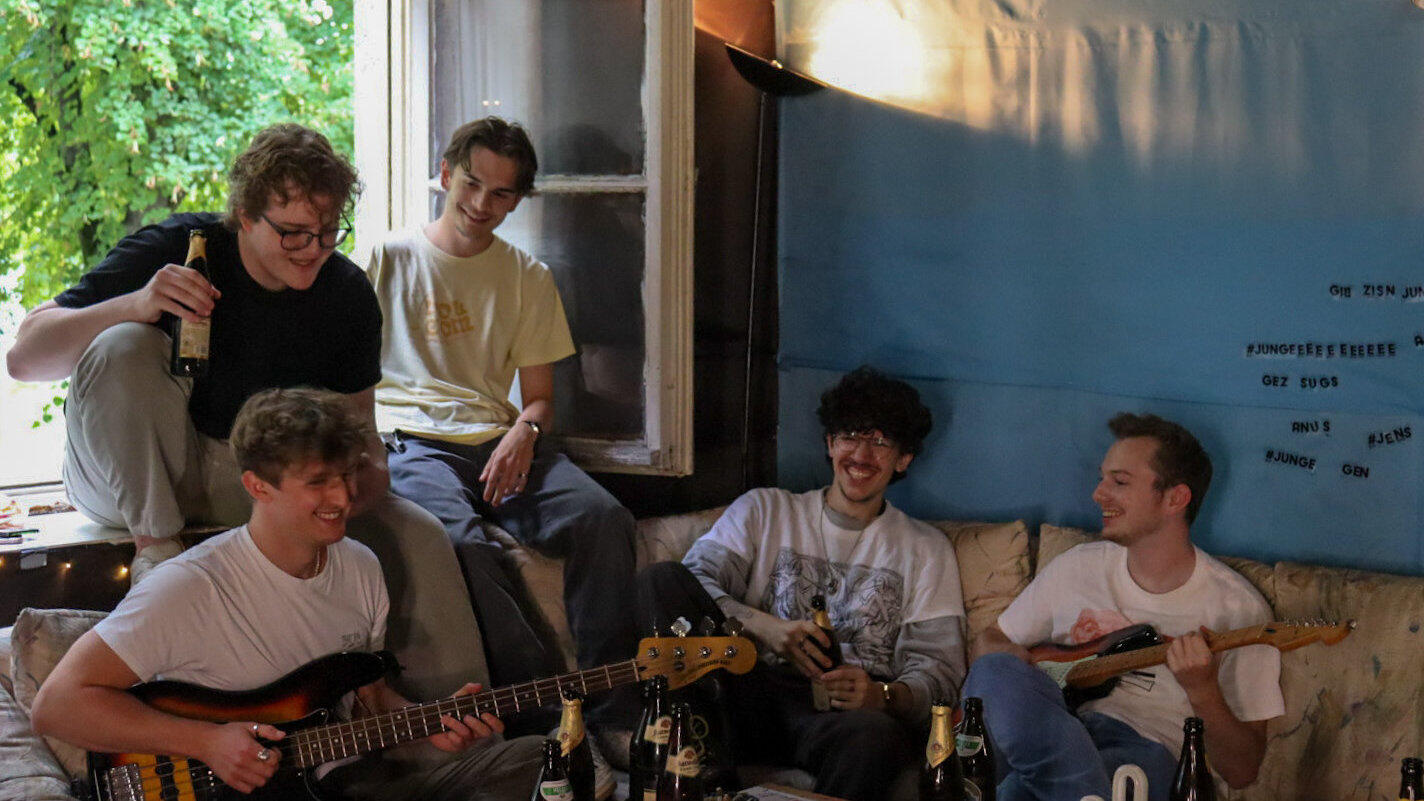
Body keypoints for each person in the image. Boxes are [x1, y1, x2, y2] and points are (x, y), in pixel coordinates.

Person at [4, 123, 484, 703]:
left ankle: (458, 727)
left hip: (254, 486)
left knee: (421, 534)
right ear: (245, 217)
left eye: (328, 233)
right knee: (123, 344)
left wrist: (358, 486)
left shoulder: (346, 294)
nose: (314, 250)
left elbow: (361, 438)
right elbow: (24, 359)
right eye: (293, 233)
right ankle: (157, 552)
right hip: (127, 478)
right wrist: (137, 303)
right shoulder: (182, 248)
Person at [30, 388, 542, 801]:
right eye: (318, 482)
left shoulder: (361, 567)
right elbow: (57, 705)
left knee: (540, 757)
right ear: (257, 487)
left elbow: (367, 699)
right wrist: (206, 743)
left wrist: (427, 724)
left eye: (346, 475)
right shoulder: (189, 587)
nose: (343, 497)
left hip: (353, 784)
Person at [364, 117, 639, 746]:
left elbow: (539, 399)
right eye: (471, 183)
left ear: (517, 200)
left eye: (501, 193)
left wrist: (524, 431)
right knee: (463, 546)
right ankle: (549, 728)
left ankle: (614, 715)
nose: (481, 203)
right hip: (412, 441)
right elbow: (346, 376)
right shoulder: (386, 258)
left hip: (496, 438)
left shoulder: (527, 276)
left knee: (604, 519)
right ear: (445, 175)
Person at [640, 366, 968, 801]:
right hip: (743, 686)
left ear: (903, 458)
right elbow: (691, 584)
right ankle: (706, 771)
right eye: (850, 435)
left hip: (838, 714)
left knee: (876, 737)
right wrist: (765, 628)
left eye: (880, 441)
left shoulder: (926, 549)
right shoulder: (764, 509)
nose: (861, 455)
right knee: (661, 579)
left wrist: (881, 695)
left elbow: (940, 674)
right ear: (830, 443)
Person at [966, 413, 1284, 801]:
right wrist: (1019, 665)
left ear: (1175, 499)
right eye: (1102, 479)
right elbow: (989, 642)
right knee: (994, 669)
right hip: (1062, 732)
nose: (1098, 494)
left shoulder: (1239, 610)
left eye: (1119, 482)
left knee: (1023, 788)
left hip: (1151, 754)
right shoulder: (1078, 566)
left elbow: (1242, 771)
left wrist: (1202, 691)